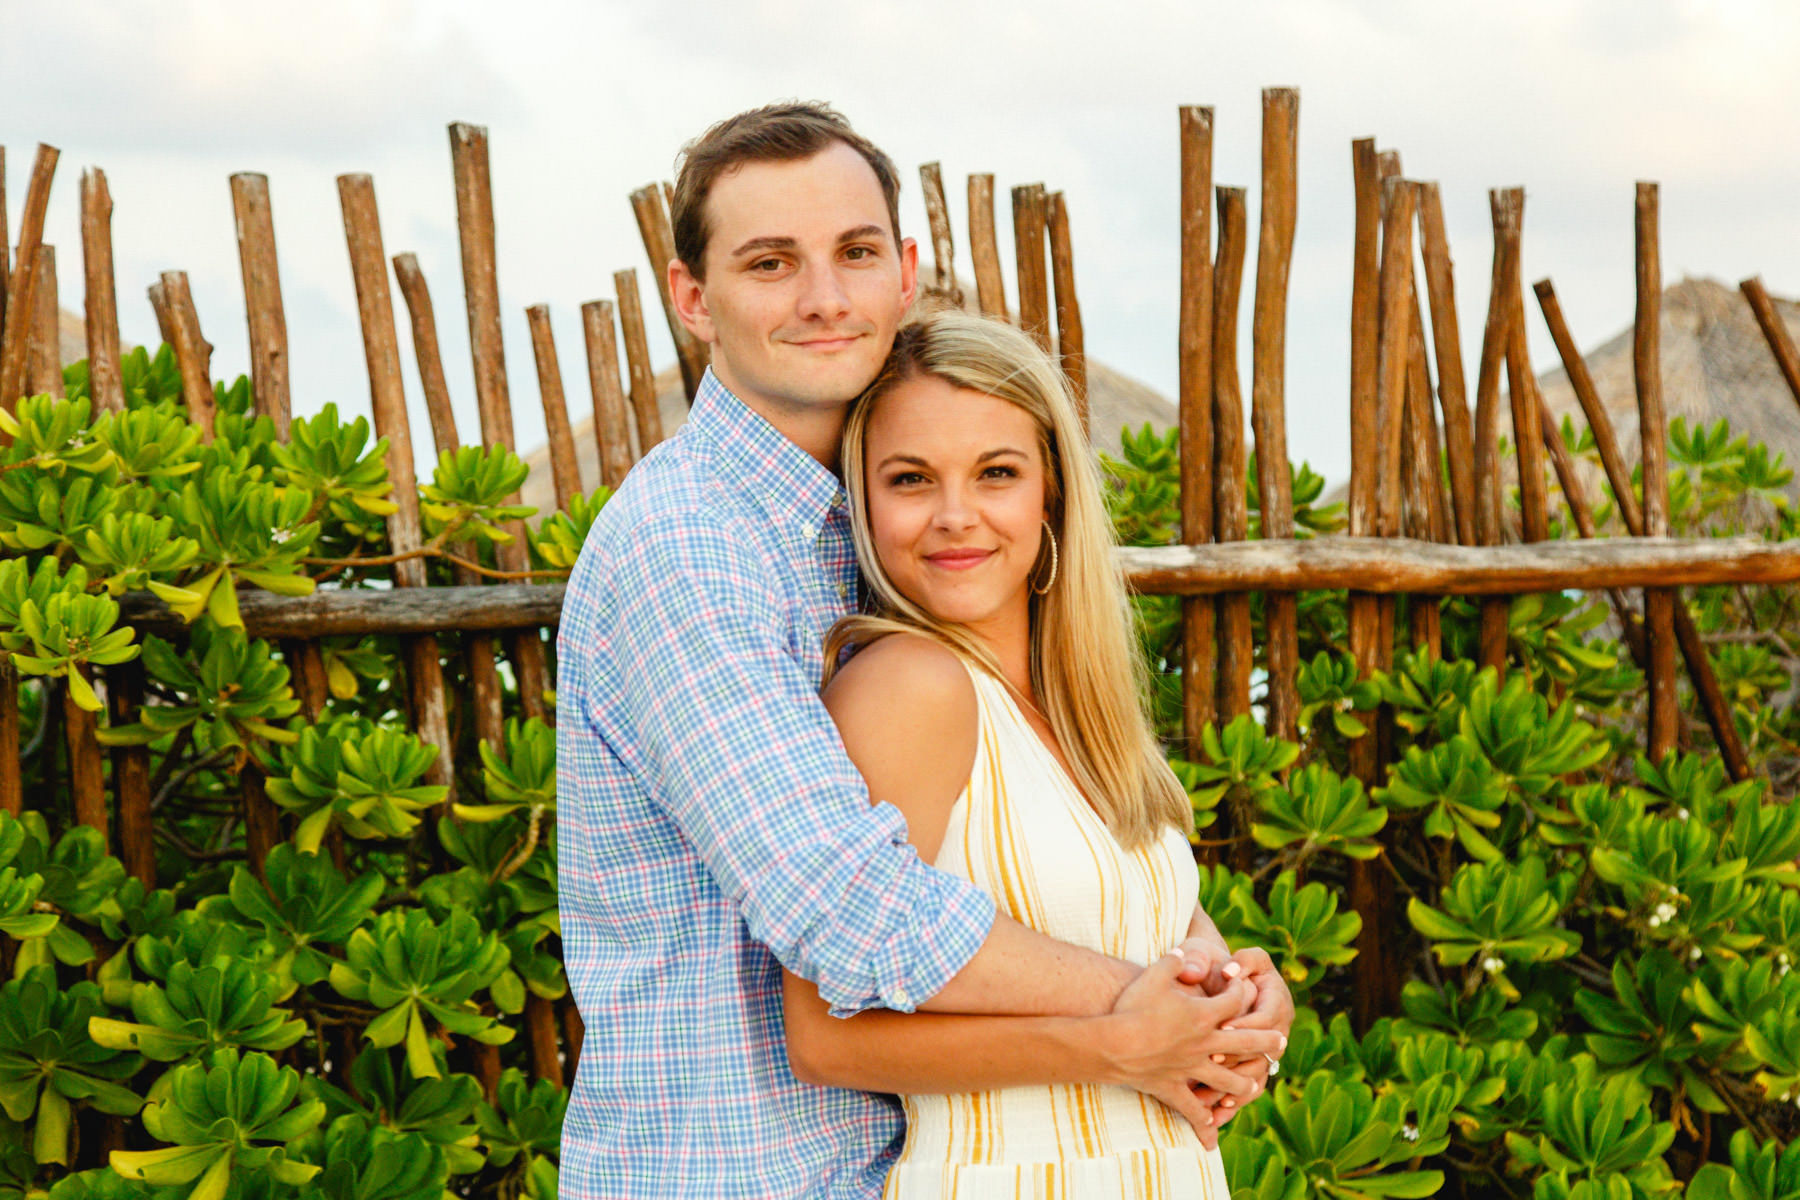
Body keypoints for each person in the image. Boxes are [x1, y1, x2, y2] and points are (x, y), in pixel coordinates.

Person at [555, 101, 1290, 1199]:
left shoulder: (857, 544)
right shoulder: (691, 548)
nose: (823, 297)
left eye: (853, 254)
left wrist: (1213, 982)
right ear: (692, 299)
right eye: (770, 263)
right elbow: (844, 906)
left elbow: (1039, 853)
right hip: (728, 1173)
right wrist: (1146, 1006)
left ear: (903, 272)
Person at [779, 309, 1268, 1197]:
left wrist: (1245, 998)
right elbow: (824, 1038)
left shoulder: (1084, 710)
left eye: (996, 473)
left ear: (1052, 495)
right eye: (910, 479)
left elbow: (1149, 943)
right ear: (864, 502)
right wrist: (1114, 1049)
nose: (955, 516)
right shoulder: (908, 689)